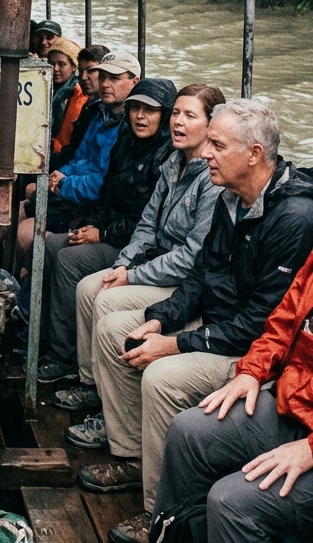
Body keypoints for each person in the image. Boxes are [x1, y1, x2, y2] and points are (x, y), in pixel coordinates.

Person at [89, 99, 313, 543]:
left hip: (245, 345)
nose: (205, 153)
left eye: (217, 144)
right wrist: (163, 318)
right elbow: (200, 277)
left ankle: (158, 517)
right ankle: (132, 458)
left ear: (254, 154)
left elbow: (260, 324)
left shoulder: (292, 220)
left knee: (163, 378)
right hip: (223, 327)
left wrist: (175, 345)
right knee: (120, 331)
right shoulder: (232, 198)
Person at [131, 241, 313, 543]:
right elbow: (282, 322)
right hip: (296, 403)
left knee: (232, 501)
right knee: (191, 431)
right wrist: (251, 370)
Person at [53, 85, 223, 417]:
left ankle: (114, 409)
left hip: (182, 280)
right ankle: (93, 386)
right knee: (94, 287)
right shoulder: (174, 163)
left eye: (190, 116)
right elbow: (147, 225)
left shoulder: (212, 179)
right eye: (176, 113)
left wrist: (132, 275)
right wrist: (123, 265)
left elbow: (191, 256)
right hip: (155, 262)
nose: (178, 122)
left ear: (210, 125)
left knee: (106, 299)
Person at [35, 77, 177, 384]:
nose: (140, 116)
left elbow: (146, 219)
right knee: (49, 246)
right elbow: (108, 193)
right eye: (135, 109)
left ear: (164, 115)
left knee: (69, 259)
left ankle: (64, 358)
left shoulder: (165, 155)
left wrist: (104, 234)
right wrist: (95, 224)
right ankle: (44, 338)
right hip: (114, 229)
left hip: (136, 246)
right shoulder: (126, 143)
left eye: (149, 111)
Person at [17, 50, 140, 253]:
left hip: (96, 204)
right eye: (103, 77)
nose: (106, 84)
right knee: (22, 208)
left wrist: (64, 184)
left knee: (26, 231)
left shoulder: (131, 126)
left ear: (134, 82)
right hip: (78, 192)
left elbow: (104, 181)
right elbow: (80, 157)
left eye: (115, 79)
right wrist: (61, 175)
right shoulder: (101, 113)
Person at [46, 37, 84, 151]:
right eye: (52, 64)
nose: (55, 69)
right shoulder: (48, 87)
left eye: (61, 64)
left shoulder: (77, 93)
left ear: (74, 67)